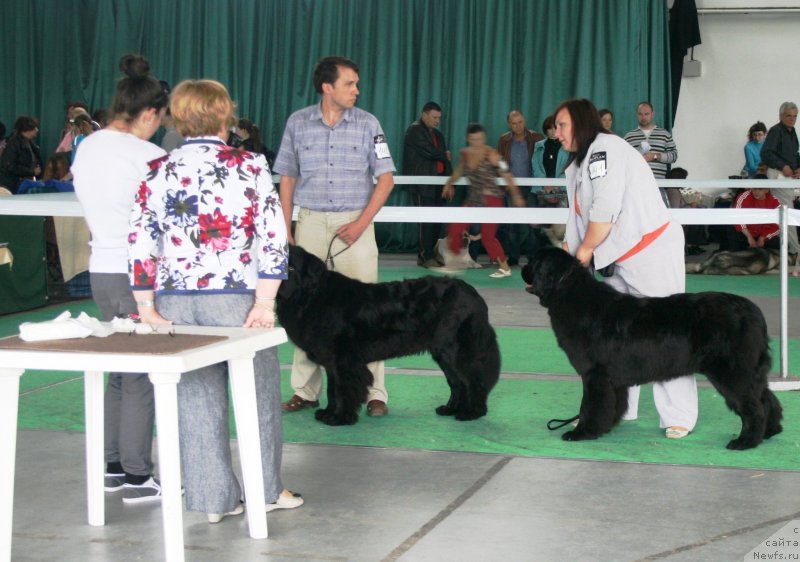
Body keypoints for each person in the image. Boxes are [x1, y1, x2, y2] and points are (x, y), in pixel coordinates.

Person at [128, 78, 302, 523]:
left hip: (176, 299)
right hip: (236, 295)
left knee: (196, 400)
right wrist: (265, 302)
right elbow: (273, 236)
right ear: (225, 116)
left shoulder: (157, 169)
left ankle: (212, 499)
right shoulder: (250, 166)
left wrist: (146, 305)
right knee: (258, 395)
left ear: (177, 117)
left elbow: (141, 241)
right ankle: (265, 491)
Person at [554, 97, 697, 440]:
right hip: (614, 258)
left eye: (561, 125)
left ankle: (679, 415)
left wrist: (583, 251)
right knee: (611, 336)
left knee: (666, 333)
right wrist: (570, 250)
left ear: (581, 123)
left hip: (650, 253)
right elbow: (578, 217)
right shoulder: (577, 164)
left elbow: (604, 208)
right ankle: (614, 408)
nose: (555, 133)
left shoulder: (606, 151)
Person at [273, 56, 395, 417]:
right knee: (301, 309)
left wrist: (361, 224)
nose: (356, 90)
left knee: (368, 312)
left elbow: (386, 178)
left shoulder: (369, 124)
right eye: (349, 84)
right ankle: (305, 391)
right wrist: (286, 226)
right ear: (328, 87)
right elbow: (287, 177)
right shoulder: (297, 123)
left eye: (356, 84)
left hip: (354, 225)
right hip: (309, 223)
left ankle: (375, 393)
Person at [72, 54, 167, 503]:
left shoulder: (87, 146)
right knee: (141, 375)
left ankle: (112, 465)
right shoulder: (149, 155)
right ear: (150, 113)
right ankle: (136, 476)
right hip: (139, 273)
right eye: (159, 120)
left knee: (119, 369)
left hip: (101, 270)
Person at [442, 123, 524, 278]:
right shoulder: (464, 154)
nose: (476, 143)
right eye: (473, 140)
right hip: (473, 199)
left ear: (484, 138)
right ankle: (454, 263)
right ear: (468, 139)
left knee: (488, 237)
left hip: (492, 199)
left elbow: (507, 174)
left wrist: (517, 195)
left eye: (479, 139)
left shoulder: (492, 154)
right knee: (455, 227)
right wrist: (449, 183)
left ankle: (505, 268)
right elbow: (459, 171)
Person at [402, 101, 452, 268]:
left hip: (438, 183)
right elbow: (430, 152)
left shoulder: (438, 135)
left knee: (437, 222)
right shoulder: (415, 130)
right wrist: (444, 154)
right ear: (424, 115)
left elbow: (445, 160)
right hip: (421, 184)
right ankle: (424, 255)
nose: (437, 121)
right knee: (426, 222)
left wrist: (449, 182)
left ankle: (431, 253)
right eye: (434, 117)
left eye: (439, 118)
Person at [496, 110, 543, 265]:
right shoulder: (504, 140)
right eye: (514, 123)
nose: (518, 126)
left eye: (520, 122)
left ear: (525, 121)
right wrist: (505, 180)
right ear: (509, 124)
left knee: (532, 223)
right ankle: (513, 256)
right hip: (511, 187)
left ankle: (533, 257)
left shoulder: (536, 138)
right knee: (512, 223)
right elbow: (501, 162)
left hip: (532, 186)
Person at [761, 102, 800, 259]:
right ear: (781, 116)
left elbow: (795, 154)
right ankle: (795, 250)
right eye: (788, 115)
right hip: (778, 175)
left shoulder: (792, 132)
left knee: (787, 211)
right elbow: (766, 153)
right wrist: (782, 166)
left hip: (788, 177)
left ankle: (792, 249)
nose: (792, 119)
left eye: (795, 116)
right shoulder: (775, 131)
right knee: (787, 212)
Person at [623, 101, 679, 207]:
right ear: (637, 115)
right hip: (636, 185)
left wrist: (655, 156)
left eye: (646, 114)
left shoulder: (664, 134)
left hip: (658, 183)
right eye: (640, 114)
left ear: (652, 114)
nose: (643, 117)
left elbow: (674, 155)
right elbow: (623, 160)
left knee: (659, 217)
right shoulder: (629, 137)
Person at [530, 114, 570, 254]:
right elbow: (536, 166)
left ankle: (559, 255)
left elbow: (568, 168)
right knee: (540, 226)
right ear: (545, 130)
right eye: (549, 128)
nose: (553, 131)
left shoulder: (567, 145)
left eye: (556, 128)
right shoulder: (539, 146)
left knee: (559, 228)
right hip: (541, 190)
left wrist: (555, 185)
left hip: (562, 191)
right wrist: (545, 183)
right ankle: (540, 256)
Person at [732, 179, 781, 251]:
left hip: (762, 234)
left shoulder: (775, 201)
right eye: (754, 188)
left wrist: (763, 237)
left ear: (766, 190)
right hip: (745, 233)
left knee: (780, 243)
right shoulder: (743, 197)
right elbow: (736, 218)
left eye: (760, 189)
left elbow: (778, 226)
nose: (756, 192)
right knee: (731, 229)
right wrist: (749, 237)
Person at [0, 116, 42, 193]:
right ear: (27, 129)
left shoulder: (29, 143)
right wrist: (32, 172)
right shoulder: (13, 143)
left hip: (22, 183)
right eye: (35, 128)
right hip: (13, 185)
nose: (37, 130)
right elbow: (9, 165)